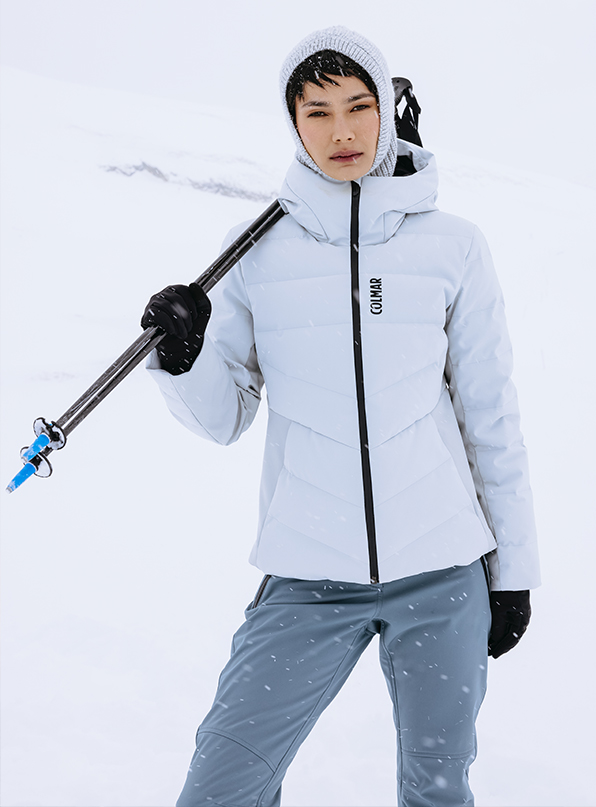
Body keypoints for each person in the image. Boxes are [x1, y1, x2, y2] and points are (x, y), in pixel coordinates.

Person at [142, 26, 540, 807]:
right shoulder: (257, 252)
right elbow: (226, 417)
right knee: (221, 788)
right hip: (308, 573)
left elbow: (492, 417)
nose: (342, 130)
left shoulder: (453, 247)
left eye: (359, 106)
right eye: (317, 112)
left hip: (441, 572)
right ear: (294, 122)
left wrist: (513, 573)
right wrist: (185, 359)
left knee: (436, 790)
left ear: (386, 111)